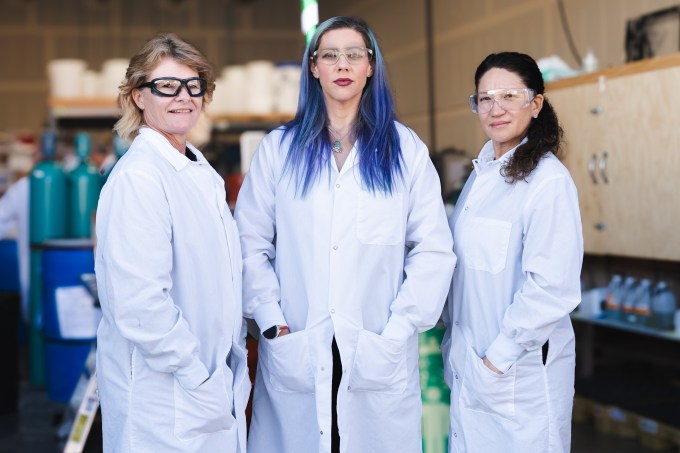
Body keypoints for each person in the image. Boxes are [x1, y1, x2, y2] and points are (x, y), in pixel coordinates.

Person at [235, 16, 456, 453]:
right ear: (313, 67)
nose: (343, 64)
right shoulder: (279, 150)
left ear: (370, 66)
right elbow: (248, 245)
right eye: (330, 55)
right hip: (297, 341)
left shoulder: (405, 149)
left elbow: (433, 248)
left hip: (376, 345)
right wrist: (271, 322)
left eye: (354, 54)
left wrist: (400, 327)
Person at [94, 33, 249, 453]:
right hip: (166, 397)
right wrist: (196, 375)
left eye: (192, 85)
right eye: (166, 86)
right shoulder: (139, 179)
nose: (183, 97)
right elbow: (141, 305)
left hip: (206, 387)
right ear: (138, 96)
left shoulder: (199, 171)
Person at [442, 51, 583, 452]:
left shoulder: (547, 182)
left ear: (535, 103)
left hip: (516, 376)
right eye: (485, 98)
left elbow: (550, 289)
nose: (495, 108)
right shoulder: (482, 177)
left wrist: (496, 360)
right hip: (473, 367)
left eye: (509, 96)